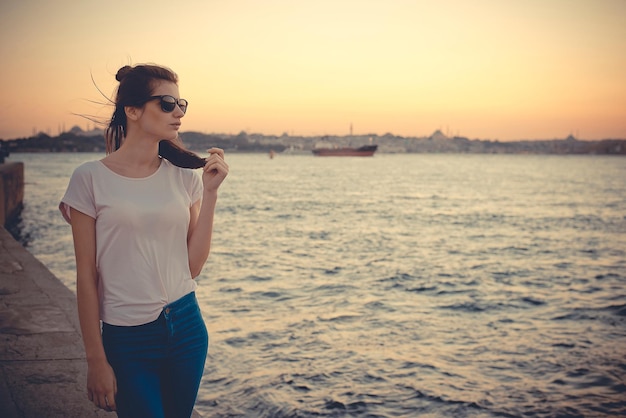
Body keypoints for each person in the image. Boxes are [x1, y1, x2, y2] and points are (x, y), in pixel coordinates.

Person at [59, 63, 228, 417]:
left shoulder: (184, 177)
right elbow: (86, 278)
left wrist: (210, 194)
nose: (178, 112)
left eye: (181, 104)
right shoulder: (89, 179)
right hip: (128, 339)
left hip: (187, 329)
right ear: (132, 110)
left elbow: (192, 267)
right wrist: (96, 360)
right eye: (167, 103)